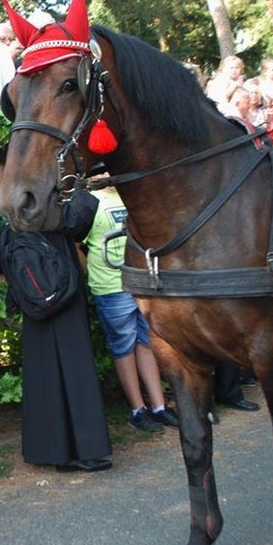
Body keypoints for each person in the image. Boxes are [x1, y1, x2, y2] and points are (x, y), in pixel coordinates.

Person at [1, 188, 113, 471]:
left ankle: (54, 450)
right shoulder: (43, 191)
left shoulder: (15, 198)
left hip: (38, 294)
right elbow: (77, 221)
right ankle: (82, 449)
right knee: (75, 369)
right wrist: (80, 187)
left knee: (46, 371)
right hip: (58, 287)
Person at [85, 185, 178, 433]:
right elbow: (77, 242)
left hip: (142, 281)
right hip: (112, 286)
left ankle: (159, 406)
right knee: (123, 346)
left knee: (146, 342)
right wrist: (91, 273)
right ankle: (138, 410)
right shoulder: (91, 201)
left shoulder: (133, 192)